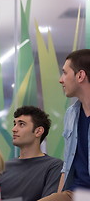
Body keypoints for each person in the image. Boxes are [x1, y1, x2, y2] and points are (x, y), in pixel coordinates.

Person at [39, 49, 90, 201]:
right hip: (77, 194)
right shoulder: (71, 114)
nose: (61, 80)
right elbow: (67, 165)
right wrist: (58, 195)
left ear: (80, 75)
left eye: (65, 73)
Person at [0, 106, 63, 201]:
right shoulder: (3, 167)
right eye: (14, 124)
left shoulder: (54, 166)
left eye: (21, 124)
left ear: (38, 131)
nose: (14, 129)